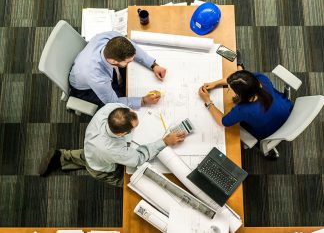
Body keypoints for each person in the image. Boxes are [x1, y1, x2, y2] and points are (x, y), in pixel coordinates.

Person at [38, 103, 186, 187]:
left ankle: (62, 157)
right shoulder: (113, 150)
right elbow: (138, 158)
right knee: (129, 181)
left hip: (91, 148)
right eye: (133, 128)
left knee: (88, 156)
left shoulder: (111, 109)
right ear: (121, 134)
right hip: (102, 168)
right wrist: (164, 141)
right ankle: (63, 159)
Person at [198, 52, 293, 158]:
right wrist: (215, 83)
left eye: (229, 89)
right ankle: (239, 67)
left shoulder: (243, 110)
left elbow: (222, 121)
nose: (228, 89)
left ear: (240, 95)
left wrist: (208, 101)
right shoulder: (261, 80)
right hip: (288, 111)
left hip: (268, 132)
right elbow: (244, 79)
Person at [69, 31, 167, 109]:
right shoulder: (97, 77)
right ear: (113, 60)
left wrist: (153, 65)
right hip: (85, 90)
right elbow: (113, 102)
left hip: (87, 67)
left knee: (127, 77)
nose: (131, 62)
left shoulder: (112, 37)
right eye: (128, 61)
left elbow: (133, 48)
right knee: (121, 96)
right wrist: (143, 101)